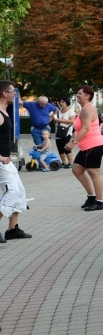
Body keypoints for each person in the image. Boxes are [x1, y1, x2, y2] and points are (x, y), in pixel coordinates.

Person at [66, 85, 103, 211]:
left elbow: (86, 128)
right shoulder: (83, 109)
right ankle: (91, 197)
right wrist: (72, 141)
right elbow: (79, 129)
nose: (77, 95)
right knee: (77, 169)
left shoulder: (87, 109)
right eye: (77, 93)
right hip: (86, 147)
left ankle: (99, 202)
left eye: (80, 93)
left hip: (94, 145)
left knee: (94, 174)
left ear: (87, 96)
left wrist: (73, 143)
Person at [0, 80, 31, 244]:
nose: (15, 94)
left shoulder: (5, 112)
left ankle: (12, 230)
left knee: (19, 192)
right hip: (1, 162)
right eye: (12, 91)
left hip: (7, 161)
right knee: (11, 192)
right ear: (5, 93)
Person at [53, 96, 75, 168]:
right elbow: (55, 122)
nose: (61, 103)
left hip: (67, 132)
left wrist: (60, 120)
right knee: (60, 148)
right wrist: (54, 118)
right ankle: (63, 162)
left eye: (63, 102)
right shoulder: (58, 111)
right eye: (60, 102)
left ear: (67, 103)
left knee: (66, 147)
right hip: (58, 132)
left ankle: (71, 162)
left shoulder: (70, 111)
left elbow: (72, 121)